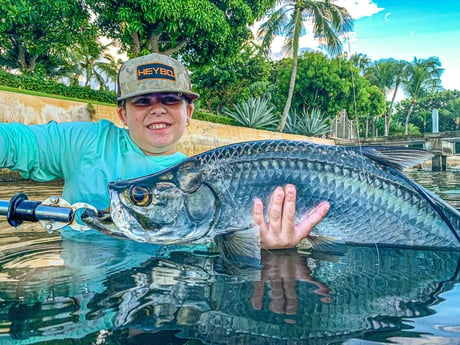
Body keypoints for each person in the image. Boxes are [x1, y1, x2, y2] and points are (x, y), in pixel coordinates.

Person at [0, 53, 329, 249]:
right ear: (123, 114)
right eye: (143, 101)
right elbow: (12, 143)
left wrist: (274, 249)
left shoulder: (205, 179)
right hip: (84, 302)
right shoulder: (85, 142)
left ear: (188, 112)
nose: (157, 109)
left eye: (171, 99)